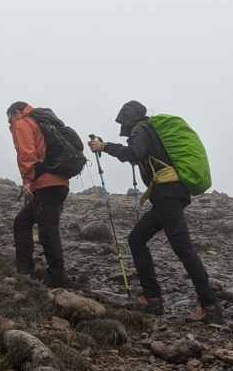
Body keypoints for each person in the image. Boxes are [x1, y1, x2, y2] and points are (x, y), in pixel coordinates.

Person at [89, 101, 224, 324]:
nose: (122, 125)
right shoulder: (150, 129)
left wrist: (105, 147)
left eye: (123, 120)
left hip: (167, 195)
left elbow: (134, 152)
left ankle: (209, 305)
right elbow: (139, 155)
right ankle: (152, 298)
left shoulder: (140, 129)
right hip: (169, 194)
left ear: (128, 118)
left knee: (184, 249)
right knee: (137, 239)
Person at [6, 101, 69, 288]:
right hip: (57, 183)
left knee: (48, 232)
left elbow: (27, 153)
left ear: (16, 112)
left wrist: (26, 181)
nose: (8, 123)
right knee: (22, 222)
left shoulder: (23, 122)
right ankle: (25, 271)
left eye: (8, 118)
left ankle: (57, 282)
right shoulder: (44, 123)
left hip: (44, 183)